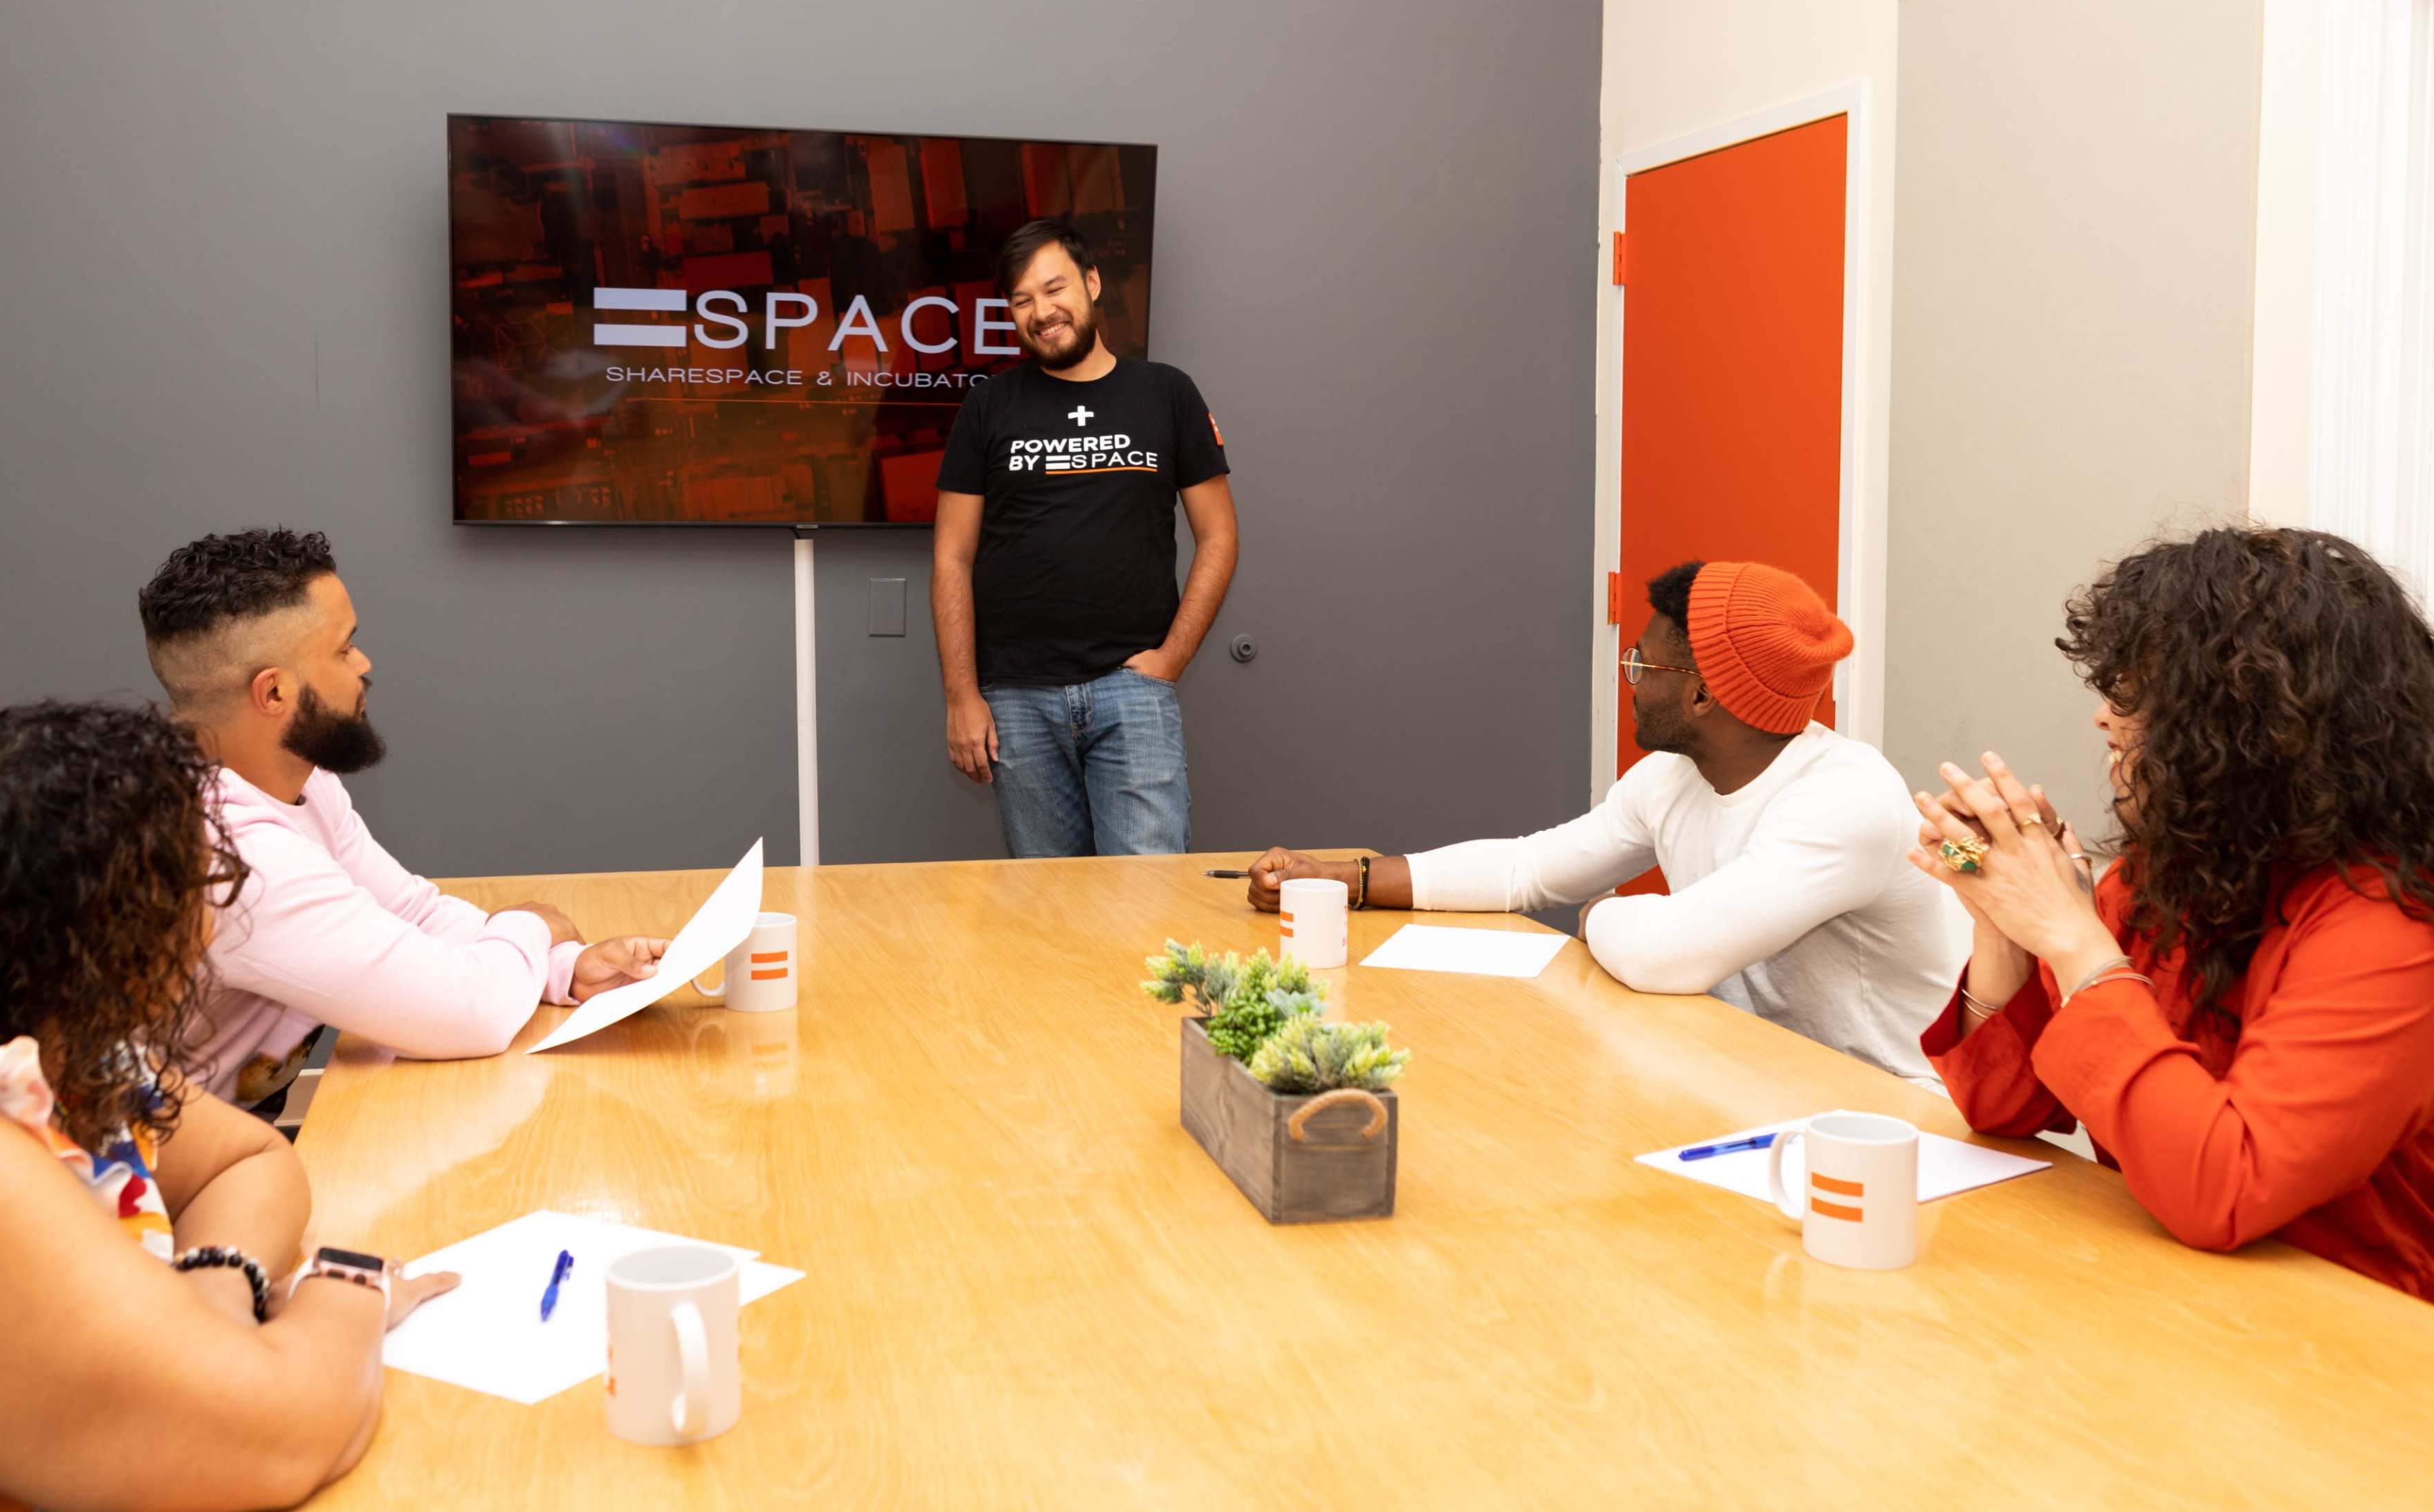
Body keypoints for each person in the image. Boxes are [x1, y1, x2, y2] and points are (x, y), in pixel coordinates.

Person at [0, 700, 455, 1510]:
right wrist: (350, 1287)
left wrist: (215, 1285)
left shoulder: (73, 1053)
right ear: (116, 925)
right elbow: (263, 1447)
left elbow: (247, 1160)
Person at [1913, 527, 2434, 1301]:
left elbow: (2224, 1186)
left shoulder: (2392, 927)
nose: (2106, 721)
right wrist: (2002, 914)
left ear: (2251, 727)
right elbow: (2001, 1108)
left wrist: (2070, 934)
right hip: (2171, 1294)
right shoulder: (2171, 876)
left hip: (2350, 1340)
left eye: (2134, 693)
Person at [1248, 560, 1963, 1078]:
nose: (1630, 679)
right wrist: (1345, 879)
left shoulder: (1846, 802)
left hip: (1895, 1113)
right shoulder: (1672, 777)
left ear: (1705, 696)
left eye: (1641, 664)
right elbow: (1528, 867)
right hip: (1759, 1074)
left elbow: (1664, 957)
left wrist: (1598, 917)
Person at [139, 528, 665, 1106]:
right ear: (274, 693)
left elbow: (410, 914)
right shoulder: (236, 859)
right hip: (154, 1178)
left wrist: (563, 968)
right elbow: (468, 1017)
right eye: (343, 649)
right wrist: (533, 925)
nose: (364, 663)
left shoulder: (298, 781)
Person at [931, 218, 1240, 857]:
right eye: (1022, 300)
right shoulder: (988, 407)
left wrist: (1169, 662)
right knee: (1047, 917)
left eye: (1055, 289)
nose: (1042, 313)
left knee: (1149, 909)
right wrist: (962, 695)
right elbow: (951, 557)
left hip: (1133, 690)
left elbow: (1219, 536)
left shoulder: (1167, 393)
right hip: (1015, 700)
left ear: (1093, 283)